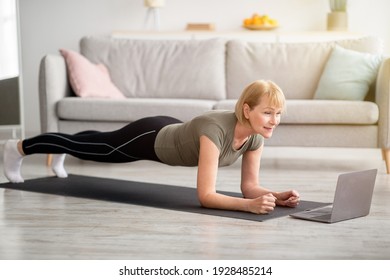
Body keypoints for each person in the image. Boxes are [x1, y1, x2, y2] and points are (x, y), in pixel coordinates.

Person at [3, 80, 300, 214]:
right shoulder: (215, 130)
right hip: (149, 139)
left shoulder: (255, 136)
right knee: (96, 149)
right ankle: (17, 148)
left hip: (168, 127)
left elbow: (250, 186)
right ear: (247, 110)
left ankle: (66, 147)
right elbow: (205, 196)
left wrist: (275, 195)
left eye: (278, 114)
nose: (274, 121)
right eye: (267, 113)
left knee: (96, 141)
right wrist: (249, 206)